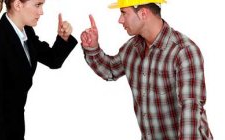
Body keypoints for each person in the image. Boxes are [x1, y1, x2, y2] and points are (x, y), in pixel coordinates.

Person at [80, 0, 213, 139]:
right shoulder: (132, 48)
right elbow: (110, 70)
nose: (120, 20)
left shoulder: (183, 51)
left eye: (123, 13)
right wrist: (92, 48)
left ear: (143, 13)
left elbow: (190, 108)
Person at [0, 0, 77, 139]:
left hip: (13, 125)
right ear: (18, 5)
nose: (41, 12)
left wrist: (63, 38)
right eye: (37, 5)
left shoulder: (26, 32)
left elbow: (53, 60)